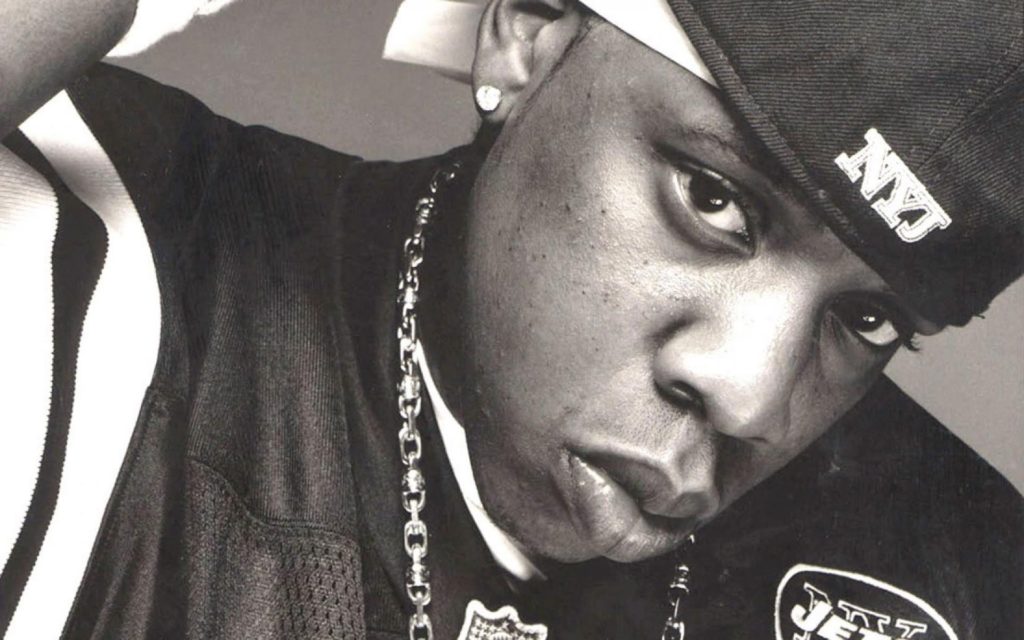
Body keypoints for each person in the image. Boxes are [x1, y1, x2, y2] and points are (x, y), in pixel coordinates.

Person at [1, 0, 1021, 638]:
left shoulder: (963, 574)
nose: (750, 392)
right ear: (525, 32)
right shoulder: (108, 280)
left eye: (867, 318)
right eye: (714, 199)